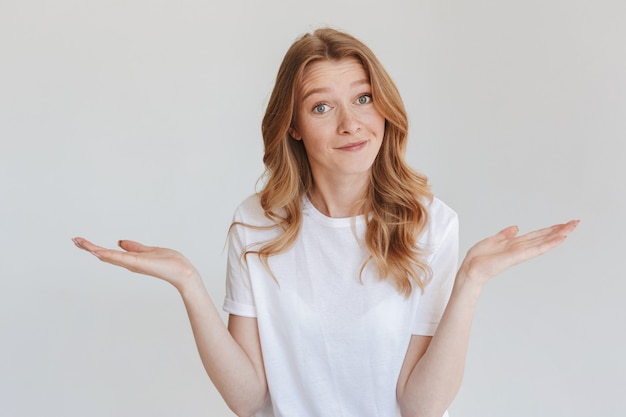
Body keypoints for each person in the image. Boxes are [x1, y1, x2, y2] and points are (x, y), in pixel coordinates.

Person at [72, 28, 579, 417]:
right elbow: (249, 399)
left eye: (362, 98)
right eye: (321, 107)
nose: (350, 123)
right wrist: (188, 283)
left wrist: (471, 280)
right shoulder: (257, 224)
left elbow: (420, 406)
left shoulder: (431, 225)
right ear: (292, 126)